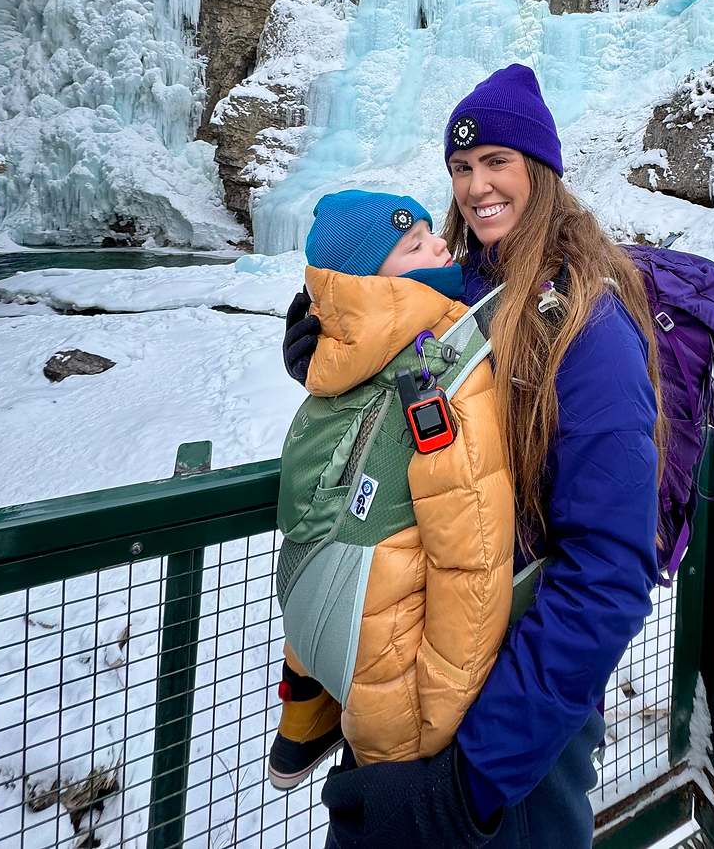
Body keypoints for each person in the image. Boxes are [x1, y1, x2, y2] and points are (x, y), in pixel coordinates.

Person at [319, 64, 665, 849]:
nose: (477, 186)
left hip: (511, 739)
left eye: (497, 160)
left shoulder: (589, 331)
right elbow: (386, 318)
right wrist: (320, 332)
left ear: (540, 169)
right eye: (462, 166)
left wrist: (472, 782)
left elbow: (608, 572)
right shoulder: (468, 288)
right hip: (421, 673)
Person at [270, 190, 514, 790]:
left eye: (431, 233)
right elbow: (473, 558)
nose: (442, 244)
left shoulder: (337, 357)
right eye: (415, 245)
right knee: (393, 817)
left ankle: (306, 726)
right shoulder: (443, 366)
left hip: (338, 639)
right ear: (373, 282)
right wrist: (442, 714)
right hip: (407, 696)